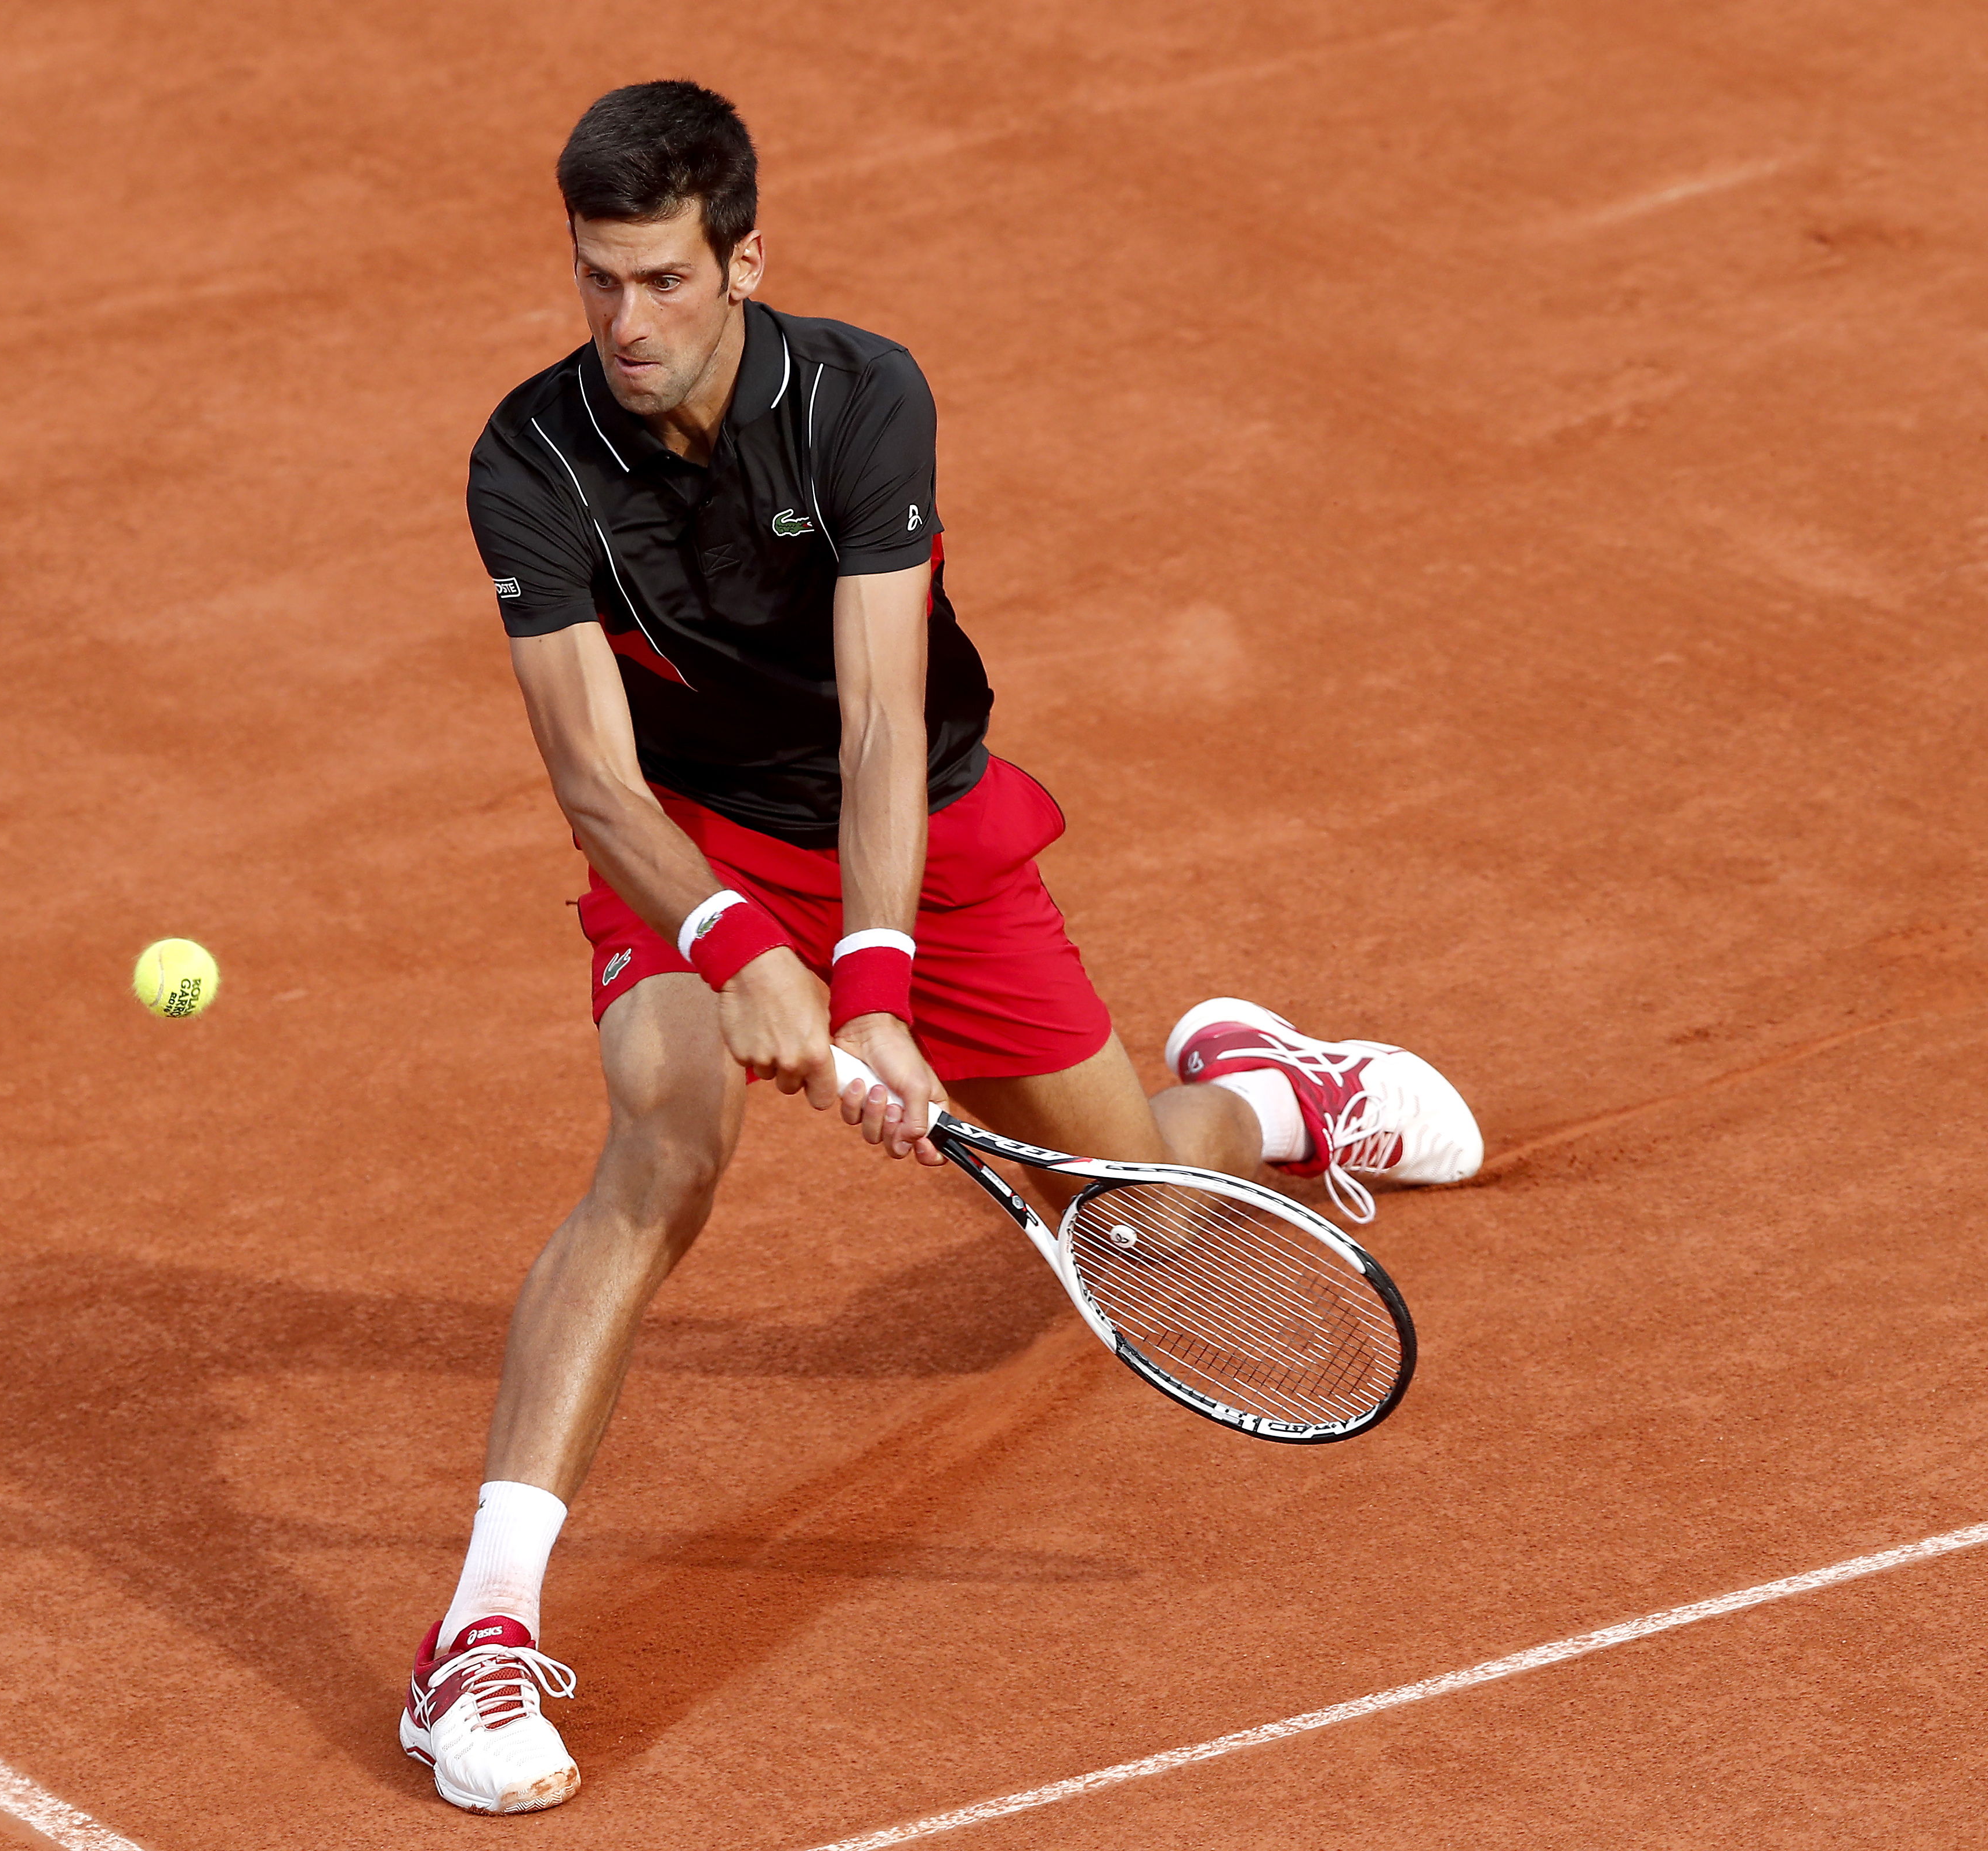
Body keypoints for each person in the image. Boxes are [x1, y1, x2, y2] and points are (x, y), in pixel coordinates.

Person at [400, 80, 1482, 1816]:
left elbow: (887, 723)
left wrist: (877, 990)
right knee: (668, 1133)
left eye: (664, 282)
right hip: (688, 849)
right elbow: (596, 779)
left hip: (918, 832)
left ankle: (1268, 1099)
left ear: (745, 259)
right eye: (597, 281)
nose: (623, 323)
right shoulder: (530, 459)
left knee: (1141, 1212)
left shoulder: (858, 398)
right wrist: (736, 943)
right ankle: (484, 1636)